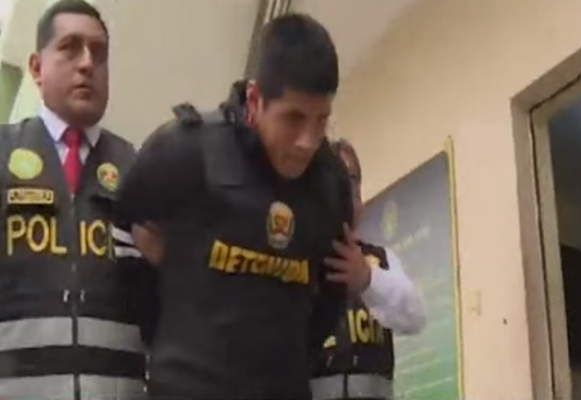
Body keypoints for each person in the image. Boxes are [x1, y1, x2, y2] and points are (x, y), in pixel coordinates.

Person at [114, 13, 367, 400]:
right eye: (293, 118)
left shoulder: (329, 183)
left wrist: (290, 363)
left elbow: (331, 295)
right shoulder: (185, 150)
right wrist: (166, 335)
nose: (307, 140)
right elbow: (122, 225)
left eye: (321, 120)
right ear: (254, 99)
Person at [0, 1, 154, 399]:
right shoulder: (2, 153)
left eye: (99, 53)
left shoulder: (139, 169)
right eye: (70, 48)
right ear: (37, 68)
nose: (87, 63)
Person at [310, 138, 426, 400]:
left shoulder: (381, 259)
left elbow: (417, 317)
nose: (347, 191)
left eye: (352, 180)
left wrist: (368, 280)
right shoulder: (297, 261)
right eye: (337, 179)